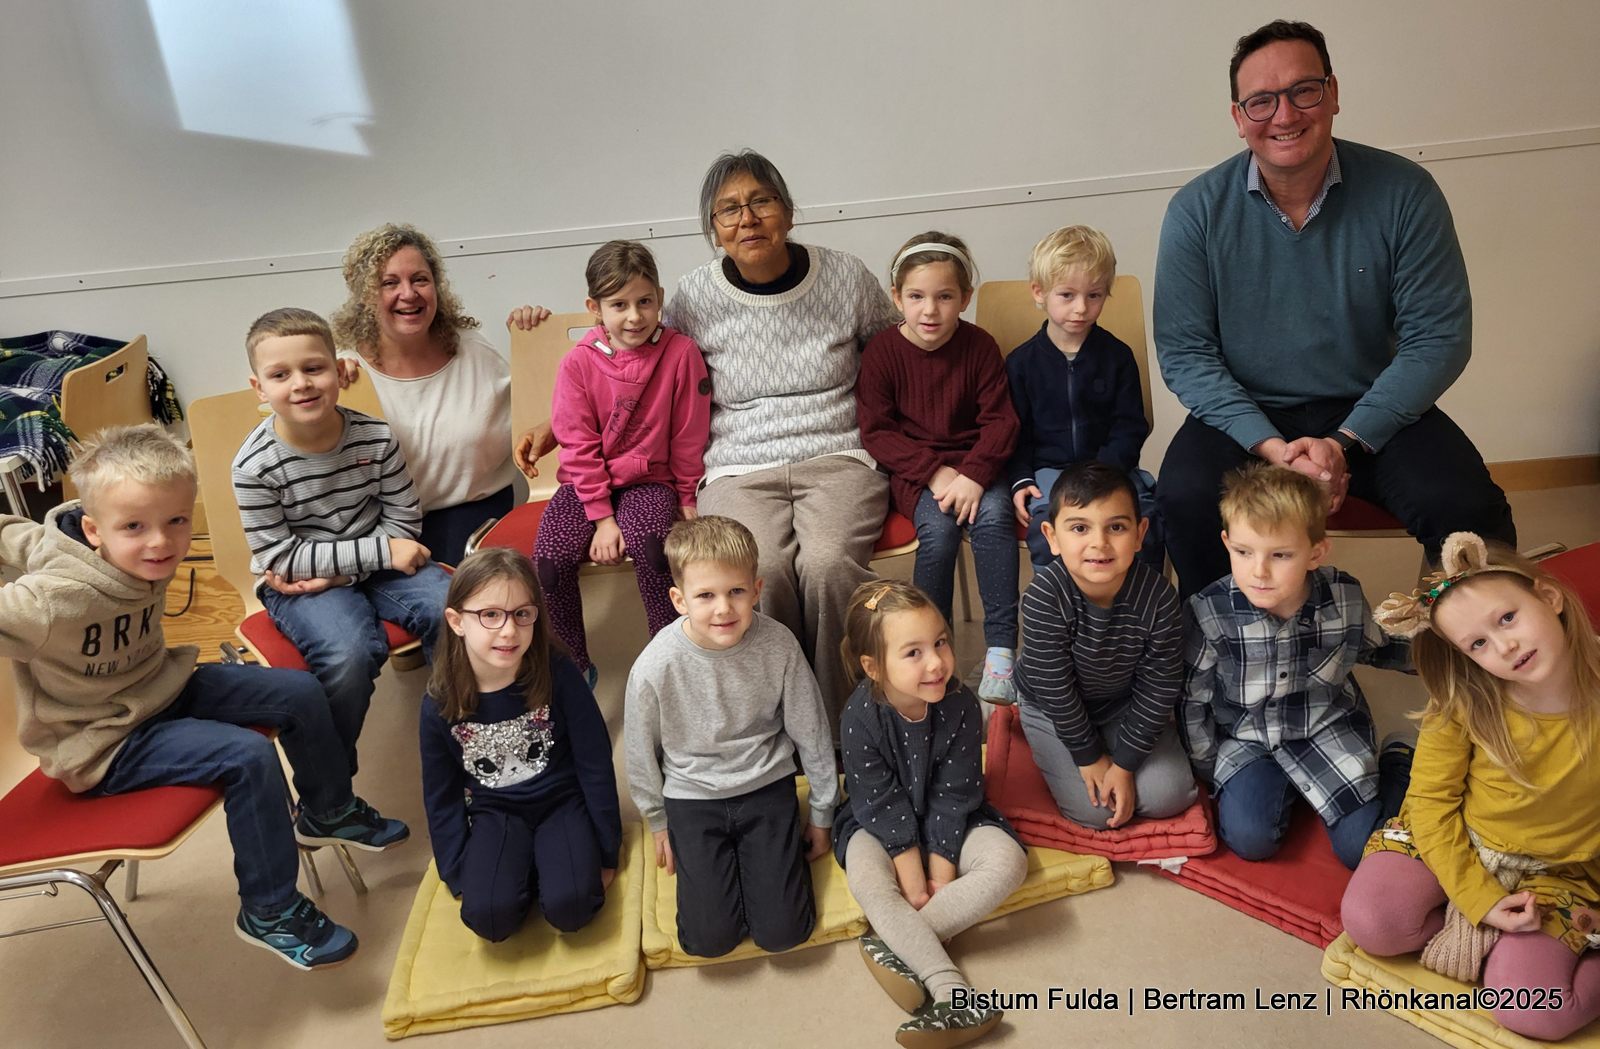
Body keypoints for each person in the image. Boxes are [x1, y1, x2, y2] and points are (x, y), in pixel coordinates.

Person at [0, 424, 408, 970]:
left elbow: (21, 536)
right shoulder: (49, 601)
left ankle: (327, 811)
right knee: (247, 755)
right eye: (134, 527)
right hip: (103, 739)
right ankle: (269, 911)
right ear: (94, 531)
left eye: (176, 521)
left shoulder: (108, 541)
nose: (160, 543)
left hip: (161, 686)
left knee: (300, 690)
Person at [1153, 19, 1515, 598]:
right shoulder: (1195, 211)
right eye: (1261, 101)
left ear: (1334, 93)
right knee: (1186, 498)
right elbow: (1186, 354)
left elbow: (1438, 339)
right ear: (1239, 117)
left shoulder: (1406, 193)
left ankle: (1470, 643)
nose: (1285, 115)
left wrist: (1344, 441)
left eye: (1304, 90)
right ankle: (1225, 644)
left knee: (1466, 506)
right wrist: (1272, 448)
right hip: (1248, 413)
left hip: (1373, 410)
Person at [662, 149, 901, 722]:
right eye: (728, 210)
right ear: (714, 229)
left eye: (761, 202)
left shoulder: (845, 276)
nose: (747, 219)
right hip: (738, 464)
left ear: (788, 212)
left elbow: (897, 349)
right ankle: (777, 719)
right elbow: (639, 359)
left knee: (828, 565)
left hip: (838, 453)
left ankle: (844, 723)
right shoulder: (693, 296)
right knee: (757, 571)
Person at [1342, 535, 1600, 1041]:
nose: (1505, 646)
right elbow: (1430, 803)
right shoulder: (1465, 699)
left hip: (1560, 870)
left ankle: (1516, 952)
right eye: (1477, 644)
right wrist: (1478, 898)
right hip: (1460, 837)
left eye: (1507, 618)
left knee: (1534, 1009)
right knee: (1372, 921)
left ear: (1549, 597)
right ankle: (1492, 934)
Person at [232, 308, 449, 774]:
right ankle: (327, 788)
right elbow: (280, 558)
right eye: (280, 375)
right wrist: (381, 553)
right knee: (348, 652)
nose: (301, 384)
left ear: (338, 370)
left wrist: (342, 573)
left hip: (356, 568)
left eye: (314, 368)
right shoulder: (253, 466)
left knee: (454, 610)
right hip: (303, 584)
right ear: (259, 388)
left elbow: (403, 520)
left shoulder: (376, 436)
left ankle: (465, 737)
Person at [623, 515, 838, 957]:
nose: (723, 608)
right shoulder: (654, 665)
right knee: (708, 940)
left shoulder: (779, 645)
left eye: (736, 591)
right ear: (679, 600)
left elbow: (811, 729)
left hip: (766, 786)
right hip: (692, 796)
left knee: (784, 933)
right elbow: (640, 751)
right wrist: (658, 821)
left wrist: (821, 812)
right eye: (706, 595)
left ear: (757, 590)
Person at [1180, 464, 1414, 869]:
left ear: (1315, 553)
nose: (1259, 571)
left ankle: (1399, 760)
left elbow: (1376, 646)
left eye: (1281, 555)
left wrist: (1445, 654)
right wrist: (1207, 764)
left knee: (1361, 850)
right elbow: (1192, 698)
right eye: (1243, 552)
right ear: (1226, 543)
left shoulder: (1343, 595)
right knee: (1250, 840)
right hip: (1248, 736)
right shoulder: (1208, 612)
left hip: (1327, 726)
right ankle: (1288, 790)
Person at [835, 579, 1026, 1048]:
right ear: (873, 667)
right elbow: (880, 805)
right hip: (876, 825)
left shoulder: (960, 703)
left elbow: (955, 794)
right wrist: (913, 883)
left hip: (955, 817)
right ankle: (952, 991)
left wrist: (939, 877)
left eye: (940, 642)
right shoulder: (859, 716)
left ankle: (893, 944)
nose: (937, 662)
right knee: (869, 881)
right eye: (913, 653)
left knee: (1009, 861)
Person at [419, 547, 621, 942]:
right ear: (457, 622)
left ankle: (547, 863)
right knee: (489, 918)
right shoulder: (439, 702)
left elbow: (594, 762)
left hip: (562, 803)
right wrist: (457, 872)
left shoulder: (558, 672)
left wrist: (606, 848)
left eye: (522, 614)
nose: (509, 630)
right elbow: (441, 796)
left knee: (573, 907)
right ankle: (529, 864)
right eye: (490, 615)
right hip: (496, 813)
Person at [534, 240, 710, 685]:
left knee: (653, 546)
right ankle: (573, 667)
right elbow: (577, 445)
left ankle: (667, 656)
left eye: (644, 302)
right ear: (594, 308)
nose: (634, 316)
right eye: (619, 305)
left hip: (650, 481)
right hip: (586, 486)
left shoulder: (681, 353)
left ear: (660, 298)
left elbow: (688, 435)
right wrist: (602, 519)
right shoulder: (577, 364)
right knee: (549, 561)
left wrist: (687, 497)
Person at [855, 231, 1021, 703]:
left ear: (965, 298)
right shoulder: (883, 352)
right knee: (940, 532)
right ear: (896, 297)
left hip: (977, 466)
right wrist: (934, 472)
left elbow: (1001, 422)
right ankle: (933, 652)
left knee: (994, 516)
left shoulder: (980, 346)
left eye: (945, 297)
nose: (930, 310)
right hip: (918, 474)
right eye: (916, 297)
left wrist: (973, 475)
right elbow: (878, 432)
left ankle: (1001, 651)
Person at [332, 223, 538, 566]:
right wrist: (322, 391)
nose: (408, 293)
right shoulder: (344, 373)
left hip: (477, 515)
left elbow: (542, 415)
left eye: (420, 279)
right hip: (382, 527)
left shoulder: (474, 350)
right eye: (389, 283)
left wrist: (535, 344)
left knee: (464, 593)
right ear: (365, 296)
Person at [1015, 462, 1196, 830]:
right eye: (1080, 528)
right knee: (1095, 812)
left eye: (1116, 527)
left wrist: (1125, 764)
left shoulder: (1159, 597)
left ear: (1140, 533)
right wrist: (1090, 757)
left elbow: (1159, 686)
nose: (1099, 543)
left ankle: (1115, 750)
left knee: (1170, 796)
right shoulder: (1043, 598)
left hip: (1121, 702)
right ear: (1052, 536)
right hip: (1051, 707)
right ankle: (1065, 745)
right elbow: (1055, 690)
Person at [1006, 226, 1159, 571]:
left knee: (1145, 519)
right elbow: (1014, 433)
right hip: (1049, 471)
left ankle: (1139, 602)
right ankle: (1060, 601)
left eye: (1094, 295)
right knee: (1050, 527)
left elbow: (1130, 425)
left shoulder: (1117, 356)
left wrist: (1102, 472)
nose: (1081, 308)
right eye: (1067, 295)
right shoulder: (1021, 363)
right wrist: (1021, 478)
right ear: (1039, 292)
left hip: (1111, 467)